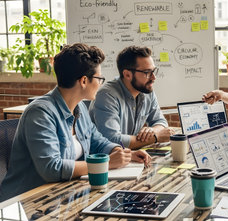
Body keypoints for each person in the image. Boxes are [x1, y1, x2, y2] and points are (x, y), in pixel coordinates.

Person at [0, 43, 151, 202]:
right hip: (25, 202)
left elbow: (96, 141)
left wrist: (123, 153)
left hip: (61, 196)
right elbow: (52, 168)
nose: (101, 84)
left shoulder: (80, 107)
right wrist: (106, 163)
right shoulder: (40, 113)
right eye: (99, 78)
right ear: (84, 81)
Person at [89, 46, 173, 150]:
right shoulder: (106, 95)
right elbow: (112, 140)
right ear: (127, 74)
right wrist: (156, 137)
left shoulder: (146, 90)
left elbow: (160, 121)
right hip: (105, 161)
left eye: (154, 71)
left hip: (130, 156)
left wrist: (153, 131)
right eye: (147, 72)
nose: (153, 77)